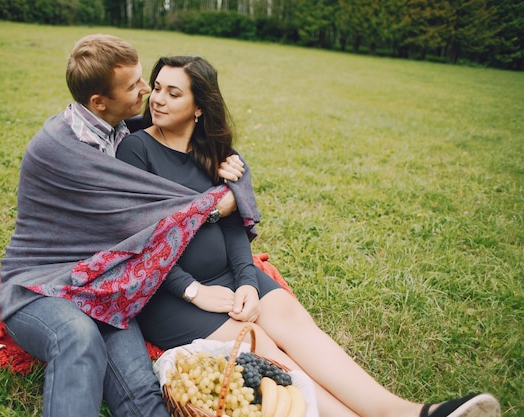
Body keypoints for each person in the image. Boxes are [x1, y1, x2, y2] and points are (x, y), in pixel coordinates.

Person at [115, 55, 502, 417]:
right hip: (170, 291)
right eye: (158, 87)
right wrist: (194, 291)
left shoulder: (217, 153)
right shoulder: (136, 151)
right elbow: (138, 240)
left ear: (200, 106)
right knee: (260, 346)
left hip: (232, 275)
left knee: (297, 326)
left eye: (173, 92)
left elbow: (234, 226)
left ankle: (407, 411)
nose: (158, 99)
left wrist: (248, 281)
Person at [0, 35, 245, 417]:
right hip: (43, 284)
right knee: (77, 338)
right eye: (135, 86)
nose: (148, 91)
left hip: (105, 283)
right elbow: (143, 222)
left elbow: (191, 130)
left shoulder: (118, 127)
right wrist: (215, 205)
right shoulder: (61, 150)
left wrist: (234, 171)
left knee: (142, 391)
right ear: (98, 102)